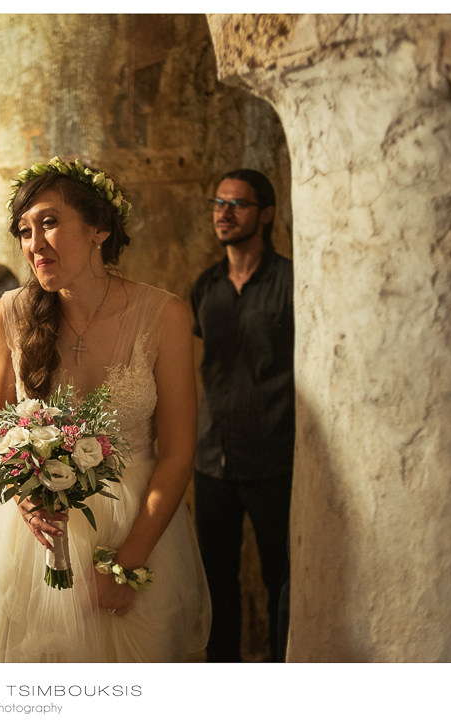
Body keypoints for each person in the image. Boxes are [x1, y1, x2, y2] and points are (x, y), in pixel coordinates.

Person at [0, 158, 211, 662]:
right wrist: (20, 493)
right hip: (33, 538)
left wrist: (126, 565)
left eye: (48, 222)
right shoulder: (9, 315)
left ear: (99, 229)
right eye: (23, 231)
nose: (33, 243)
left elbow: (177, 452)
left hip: (137, 529)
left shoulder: (164, 315)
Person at [190, 169, 294, 662]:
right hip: (213, 460)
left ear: (267, 214)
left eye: (237, 204)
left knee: (283, 578)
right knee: (215, 584)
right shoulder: (205, 286)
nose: (224, 212)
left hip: (275, 457)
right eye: (219, 202)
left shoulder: (290, 283)